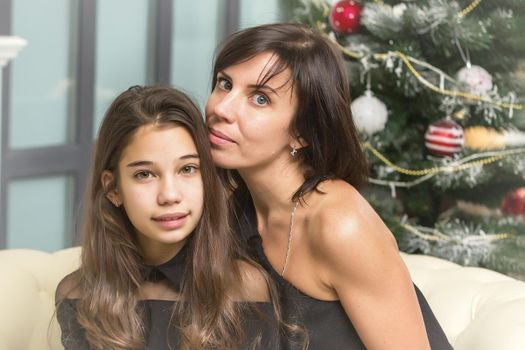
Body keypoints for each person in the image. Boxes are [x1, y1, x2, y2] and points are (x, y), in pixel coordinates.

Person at [205, 23, 453, 349]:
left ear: (302, 133)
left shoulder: (340, 224)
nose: (221, 109)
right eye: (225, 84)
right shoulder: (233, 206)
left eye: (260, 99)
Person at [55, 85, 283, 350]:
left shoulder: (245, 288)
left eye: (187, 169)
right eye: (145, 174)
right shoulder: (77, 295)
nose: (170, 195)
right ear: (112, 188)